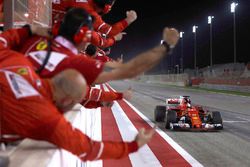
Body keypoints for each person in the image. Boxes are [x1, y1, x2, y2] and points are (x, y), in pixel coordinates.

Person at [0, 48, 155, 161]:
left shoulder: (18, 61)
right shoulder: (47, 119)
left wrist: (29, 29)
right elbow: (88, 149)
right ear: (67, 100)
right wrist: (134, 145)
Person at [1, 8, 179, 105]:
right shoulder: (75, 63)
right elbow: (130, 69)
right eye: (88, 35)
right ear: (82, 36)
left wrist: (27, 30)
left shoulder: (32, 38)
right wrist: (166, 46)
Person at [52, 0, 137, 37]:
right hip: (43, 11)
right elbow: (110, 32)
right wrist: (128, 20)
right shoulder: (89, 11)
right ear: (106, 7)